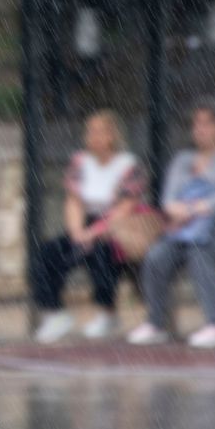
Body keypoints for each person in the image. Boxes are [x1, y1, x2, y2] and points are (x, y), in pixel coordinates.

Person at [127, 97, 215, 348]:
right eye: (197, 123)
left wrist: (195, 209)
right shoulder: (183, 159)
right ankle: (156, 324)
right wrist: (180, 211)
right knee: (157, 256)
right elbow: (168, 200)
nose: (201, 129)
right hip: (187, 229)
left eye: (208, 123)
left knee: (201, 252)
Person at [32, 110, 147, 343]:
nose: (93, 136)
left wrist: (95, 233)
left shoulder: (128, 165)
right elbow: (74, 201)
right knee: (48, 253)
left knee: (103, 254)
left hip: (116, 229)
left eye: (100, 131)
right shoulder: (80, 162)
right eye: (90, 131)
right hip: (84, 225)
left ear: (113, 135)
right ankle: (55, 312)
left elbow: (125, 207)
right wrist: (77, 232)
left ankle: (107, 313)